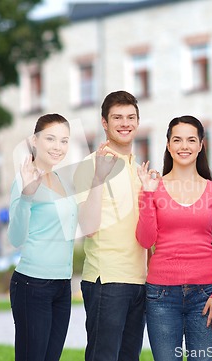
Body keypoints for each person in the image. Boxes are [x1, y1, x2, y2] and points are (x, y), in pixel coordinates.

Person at [136, 116, 212, 361]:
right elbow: (146, 241)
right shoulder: (153, 187)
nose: (184, 146)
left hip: (206, 295)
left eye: (191, 140)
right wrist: (146, 195)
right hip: (161, 295)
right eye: (177, 140)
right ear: (168, 145)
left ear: (201, 145)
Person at [73, 90, 147, 361]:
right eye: (117, 117)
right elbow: (88, 227)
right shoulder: (89, 166)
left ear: (138, 122)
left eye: (130, 117)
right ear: (104, 123)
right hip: (107, 280)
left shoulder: (138, 169)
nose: (124, 123)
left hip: (138, 280)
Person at [7, 113, 78, 361]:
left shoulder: (62, 180)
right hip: (32, 285)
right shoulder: (24, 180)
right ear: (34, 140)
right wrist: (27, 195)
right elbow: (15, 238)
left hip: (62, 284)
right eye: (51, 139)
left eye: (64, 140)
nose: (58, 147)